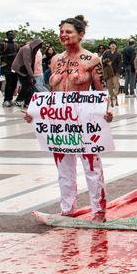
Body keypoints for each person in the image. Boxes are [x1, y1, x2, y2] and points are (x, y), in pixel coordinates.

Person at [22, 16, 111, 223]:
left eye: (69, 31)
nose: (64, 35)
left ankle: (98, 211)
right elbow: (51, 93)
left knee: (91, 166)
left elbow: (101, 90)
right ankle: (67, 208)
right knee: (63, 167)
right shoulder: (56, 60)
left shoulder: (91, 60)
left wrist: (106, 112)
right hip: (60, 122)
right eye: (62, 31)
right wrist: (34, 113)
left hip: (84, 120)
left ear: (81, 34)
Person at [12, 38, 43, 109]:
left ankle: (27, 102)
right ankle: (19, 100)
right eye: (38, 47)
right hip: (20, 69)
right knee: (27, 85)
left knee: (30, 86)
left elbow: (31, 63)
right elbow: (27, 63)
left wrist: (31, 74)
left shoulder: (32, 49)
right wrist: (32, 76)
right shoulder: (27, 49)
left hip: (25, 69)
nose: (38, 49)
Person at [0, 31, 20, 106]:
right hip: (7, 66)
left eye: (13, 34)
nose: (11, 36)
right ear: (7, 36)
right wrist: (9, 55)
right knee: (9, 83)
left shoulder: (16, 45)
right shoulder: (3, 44)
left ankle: (10, 98)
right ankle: (6, 99)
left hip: (15, 67)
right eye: (10, 35)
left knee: (14, 83)